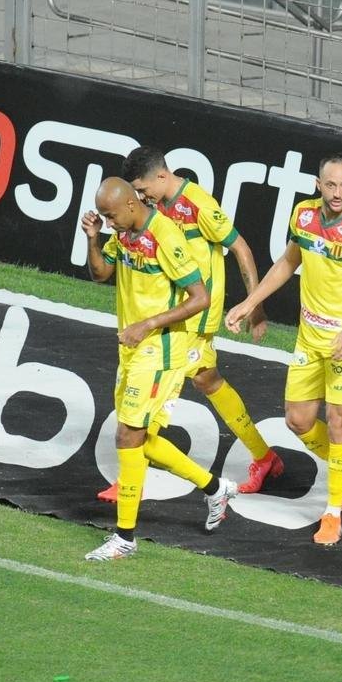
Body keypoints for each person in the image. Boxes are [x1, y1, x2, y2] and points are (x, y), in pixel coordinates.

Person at [224, 155, 342, 547]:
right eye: (330, 185)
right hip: (309, 338)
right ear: (319, 184)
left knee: (338, 423)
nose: (337, 193)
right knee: (297, 421)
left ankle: (333, 511)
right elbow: (288, 262)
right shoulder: (303, 216)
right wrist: (250, 303)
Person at [111, 146, 283, 499]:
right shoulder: (155, 207)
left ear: (161, 176)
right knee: (208, 380)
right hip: (179, 313)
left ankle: (132, 475)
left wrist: (256, 307)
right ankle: (264, 456)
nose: (141, 197)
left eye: (143, 189)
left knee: (159, 390)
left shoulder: (199, 205)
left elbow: (241, 248)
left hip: (194, 318)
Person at [80, 176, 237, 561]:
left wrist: (148, 324)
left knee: (127, 436)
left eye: (111, 215)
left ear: (132, 205)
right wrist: (93, 238)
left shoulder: (165, 236)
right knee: (139, 440)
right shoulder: (123, 234)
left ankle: (125, 537)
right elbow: (101, 274)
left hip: (161, 349)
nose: (109, 221)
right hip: (133, 349)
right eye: (104, 216)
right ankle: (216, 488)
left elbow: (199, 297)